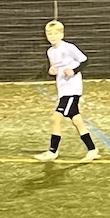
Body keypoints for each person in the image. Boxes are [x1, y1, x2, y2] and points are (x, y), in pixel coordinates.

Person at [35, 20, 98, 163]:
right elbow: (55, 69)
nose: (52, 36)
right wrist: (51, 71)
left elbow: (85, 61)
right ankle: (92, 149)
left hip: (72, 89)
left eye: (55, 33)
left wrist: (74, 70)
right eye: (49, 33)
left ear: (62, 34)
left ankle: (52, 151)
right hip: (63, 90)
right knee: (77, 120)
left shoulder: (69, 47)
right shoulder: (50, 52)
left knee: (56, 118)